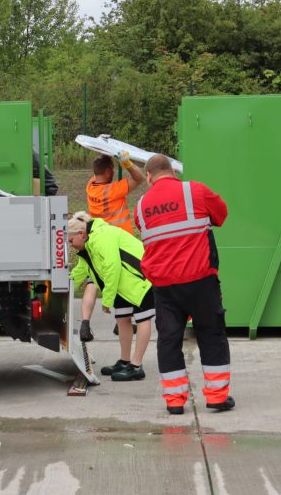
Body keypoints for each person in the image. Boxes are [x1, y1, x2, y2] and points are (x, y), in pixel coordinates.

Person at [134, 154, 233, 415]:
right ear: (173, 172)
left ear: (148, 177)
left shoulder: (141, 206)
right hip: (200, 280)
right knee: (211, 335)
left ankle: (175, 402)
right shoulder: (195, 191)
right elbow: (221, 215)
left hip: (165, 287)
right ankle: (216, 397)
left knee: (169, 340)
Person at [68, 211, 155, 381]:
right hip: (124, 285)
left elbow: (112, 267)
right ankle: (125, 361)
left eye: (71, 241)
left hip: (141, 279)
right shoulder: (88, 243)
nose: (70, 245)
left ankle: (136, 366)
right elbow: (81, 270)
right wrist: (63, 285)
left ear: (81, 234)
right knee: (122, 319)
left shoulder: (102, 236)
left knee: (143, 319)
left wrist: (107, 299)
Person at [79, 150, 145, 342]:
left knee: (93, 281)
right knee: (121, 282)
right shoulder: (114, 190)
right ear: (109, 172)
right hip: (117, 242)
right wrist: (125, 163)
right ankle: (121, 322)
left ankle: (85, 323)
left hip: (97, 240)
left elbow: (98, 172)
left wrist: (104, 152)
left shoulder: (90, 187)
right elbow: (139, 178)